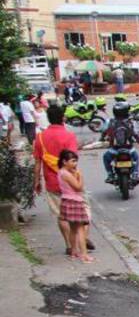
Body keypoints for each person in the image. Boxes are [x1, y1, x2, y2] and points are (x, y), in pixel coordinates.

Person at [32, 103, 82, 254]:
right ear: (63, 118)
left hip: (52, 182)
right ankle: (78, 244)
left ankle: (68, 245)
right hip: (69, 182)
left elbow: (37, 162)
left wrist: (37, 181)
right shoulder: (69, 136)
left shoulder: (40, 137)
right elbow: (73, 160)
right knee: (75, 213)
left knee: (61, 215)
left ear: (48, 118)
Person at [56, 150, 93, 263]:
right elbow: (78, 187)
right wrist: (80, 176)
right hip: (74, 201)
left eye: (76, 161)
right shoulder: (66, 174)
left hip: (66, 200)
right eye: (72, 161)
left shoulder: (61, 172)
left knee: (73, 229)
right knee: (80, 229)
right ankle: (84, 255)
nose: (75, 164)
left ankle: (74, 251)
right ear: (64, 161)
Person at [102, 102, 139, 183]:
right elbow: (135, 134)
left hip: (114, 150)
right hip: (129, 149)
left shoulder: (110, 121)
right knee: (136, 158)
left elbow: (104, 132)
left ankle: (110, 175)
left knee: (105, 157)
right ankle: (135, 174)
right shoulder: (130, 122)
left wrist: (102, 138)